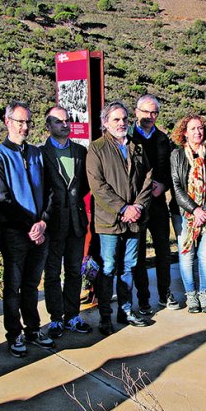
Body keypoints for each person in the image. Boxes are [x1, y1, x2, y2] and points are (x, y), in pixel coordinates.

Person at [0, 100, 55, 357]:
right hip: (16, 233)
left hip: (40, 230)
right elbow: (2, 199)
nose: (25, 126)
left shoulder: (36, 153)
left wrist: (43, 222)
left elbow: (50, 191)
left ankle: (33, 328)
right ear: (8, 122)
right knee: (12, 286)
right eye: (20, 121)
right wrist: (30, 225)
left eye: (28, 121)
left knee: (31, 285)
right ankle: (14, 333)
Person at [86, 101, 153, 335]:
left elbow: (148, 178)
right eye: (116, 119)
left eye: (124, 118)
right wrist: (123, 208)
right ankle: (105, 316)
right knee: (108, 267)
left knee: (130, 266)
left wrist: (138, 206)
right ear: (105, 123)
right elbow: (98, 186)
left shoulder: (137, 146)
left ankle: (126, 311)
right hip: (109, 220)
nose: (122, 123)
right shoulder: (96, 148)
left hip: (135, 219)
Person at [40, 106, 93, 339]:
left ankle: (72, 316)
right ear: (49, 126)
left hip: (76, 222)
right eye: (59, 121)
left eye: (67, 120)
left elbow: (84, 186)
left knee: (73, 271)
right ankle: (55, 319)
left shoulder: (81, 152)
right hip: (52, 224)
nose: (65, 124)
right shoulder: (40, 154)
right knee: (52, 273)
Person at [128, 95, 178, 312]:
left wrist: (164, 185)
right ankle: (143, 297)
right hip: (136, 203)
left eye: (154, 112)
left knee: (163, 250)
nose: (149, 117)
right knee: (138, 253)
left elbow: (170, 169)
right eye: (145, 112)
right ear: (136, 112)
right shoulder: (126, 136)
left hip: (157, 203)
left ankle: (165, 292)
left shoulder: (162, 139)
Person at [171, 114, 206, 313]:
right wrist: (194, 209)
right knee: (186, 255)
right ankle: (191, 295)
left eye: (200, 128)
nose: (197, 132)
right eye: (192, 128)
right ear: (184, 132)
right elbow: (176, 186)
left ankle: (204, 294)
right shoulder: (177, 155)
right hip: (184, 213)